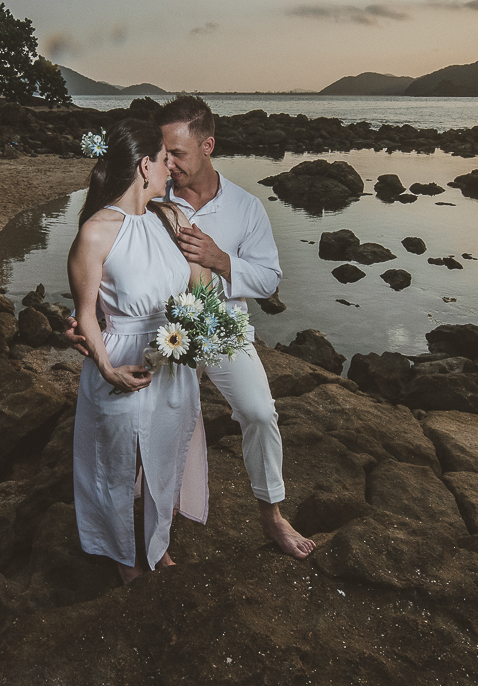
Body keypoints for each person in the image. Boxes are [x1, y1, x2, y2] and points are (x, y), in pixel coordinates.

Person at [67, 96, 316, 559]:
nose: (171, 163)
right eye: (164, 154)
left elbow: (268, 280)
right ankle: (148, 524)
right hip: (159, 336)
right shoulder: (151, 200)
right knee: (155, 422)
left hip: (219, 327)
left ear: (208, 146)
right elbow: (112, 269)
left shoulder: (245, 208)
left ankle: (273, 516)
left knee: (260, 412)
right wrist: (92, 322)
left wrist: (220, 260)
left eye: (178, 153)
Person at [68, 118, 211, 584]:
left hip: (173, 357)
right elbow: (86, 315)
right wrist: (108, 370)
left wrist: (199, 324)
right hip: (123, 358)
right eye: (165, 162)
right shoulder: (96, 231)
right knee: (117, 465)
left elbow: (201, 283)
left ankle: (159, 543)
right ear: (144, 165)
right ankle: (123, 557)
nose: (172, 170)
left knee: (166, 458)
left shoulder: (171, 218)